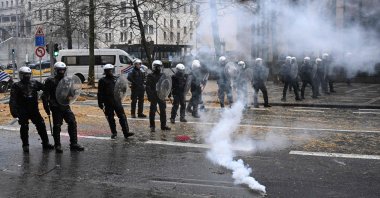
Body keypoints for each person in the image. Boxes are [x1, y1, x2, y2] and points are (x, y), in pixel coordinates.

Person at [9, 67, 54, 153]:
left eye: (29, 74)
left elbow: (45, 88)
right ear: (21, 75)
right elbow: (13, 99)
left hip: (34, 109)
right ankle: (25, 145)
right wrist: (14, 111)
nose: (27, 76)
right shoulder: (16, 85)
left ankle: (46, 143)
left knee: (41, 124)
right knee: (24, 127)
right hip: (22, 110)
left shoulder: (34, 83)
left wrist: (50, 83)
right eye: (25, 74)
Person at [42, 62, 84, 153]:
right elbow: (45, 95)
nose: (61, 72)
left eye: (63, 70)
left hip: (65, 105)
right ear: (56, 70)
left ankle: (74, 144)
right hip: (55, 106)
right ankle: (57, 145)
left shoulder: (67, 80)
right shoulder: (50, 80)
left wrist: (73, 93)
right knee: (57, 125)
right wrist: (46, 107)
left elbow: (70, 92)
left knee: (72, 122)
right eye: (60, 70)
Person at [98, 64, 134, 139]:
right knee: (110, 118)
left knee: (122, 117)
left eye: (112, 70)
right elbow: (100, 92)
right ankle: (114, 132)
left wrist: (125, 88)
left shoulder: (116, 78)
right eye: (109, 70)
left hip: (117, 100)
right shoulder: (102, 80)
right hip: (108, 102)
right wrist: (100, 103)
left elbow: (122, 87)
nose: (111, 72)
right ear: (106, 71)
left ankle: (126, 132)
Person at [146, 60, 171, 132]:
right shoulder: (150, 75)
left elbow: (166, 84)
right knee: (152, 112)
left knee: (163, 111)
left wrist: (168, 93)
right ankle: (152, 126)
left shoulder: (163, 75)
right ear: (154, 67)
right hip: (154, 96)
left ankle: (163, 125)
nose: (159, 68)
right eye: (158, 67)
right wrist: (149, 96)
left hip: (161, 95)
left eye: (160, 67)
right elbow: (148, 87)